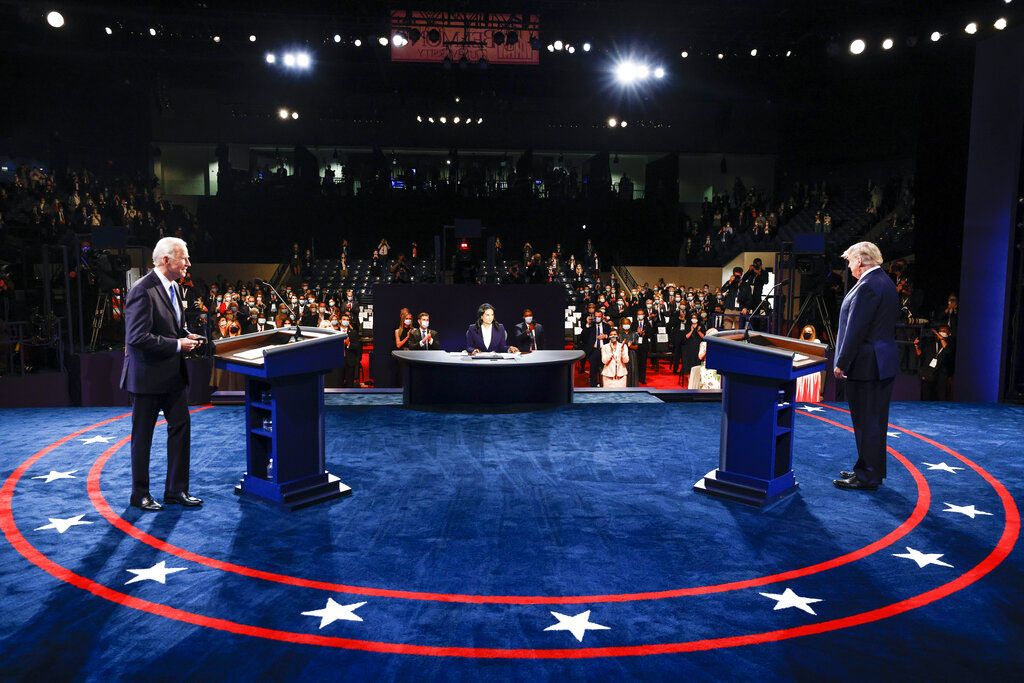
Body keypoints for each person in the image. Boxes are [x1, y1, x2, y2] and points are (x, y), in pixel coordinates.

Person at [119, 237, 204, 511]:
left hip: (172, 376)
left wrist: (184, 335)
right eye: (184, 258)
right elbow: (137, 338)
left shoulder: (176, 289)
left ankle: (176, 491)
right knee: (142, 437)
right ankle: (139, 494)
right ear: (166, 260)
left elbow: (169, 327)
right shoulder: (142, 290)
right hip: (146, 377)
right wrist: (178, 345)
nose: (188, 264)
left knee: (181, 427)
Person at [833, 241, 898, 491]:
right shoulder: (884, 281)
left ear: (860, 260)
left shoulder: (868, 286)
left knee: (867, 421)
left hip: (868, 365)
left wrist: (841, 361)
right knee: (874, 421)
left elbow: (856, 330)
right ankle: (870, 469)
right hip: (880, 362)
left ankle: (867, 475)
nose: (849, 267)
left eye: (850, 262)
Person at [914, 324, 954, 400]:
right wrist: (916, 347)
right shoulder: (931, 343)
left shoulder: (951, 343)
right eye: (940, 331)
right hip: (930, 373)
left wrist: (938, 335)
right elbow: (920, 355)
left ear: (949, 333)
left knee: (941, 396)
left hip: (942, 374)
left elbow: (947, 350)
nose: (941, 333)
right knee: (927, 396)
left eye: (944, 331)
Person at [581, 309, 611, 387]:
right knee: (593, 370)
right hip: (593, 351)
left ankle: (604, 385)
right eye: (596, 316)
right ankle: (593, 386)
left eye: (599, 316)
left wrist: (606, 336)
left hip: (604, 350)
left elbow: (612, 336)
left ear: (602, 317)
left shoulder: (607, 326)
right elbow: (583, 337)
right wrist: (587, 324)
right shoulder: (590, 326)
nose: (597, 318)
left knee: (604, 369)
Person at [339, 312, 362, 387]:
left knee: (349, 384)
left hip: (349, 361)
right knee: (338, 384)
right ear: (340, 321)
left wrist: (348, 344)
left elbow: (357, 346)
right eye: (344, 319)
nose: (346, 321)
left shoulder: (353, 332)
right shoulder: (335, 332)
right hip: (338, 361)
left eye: (347, 320)